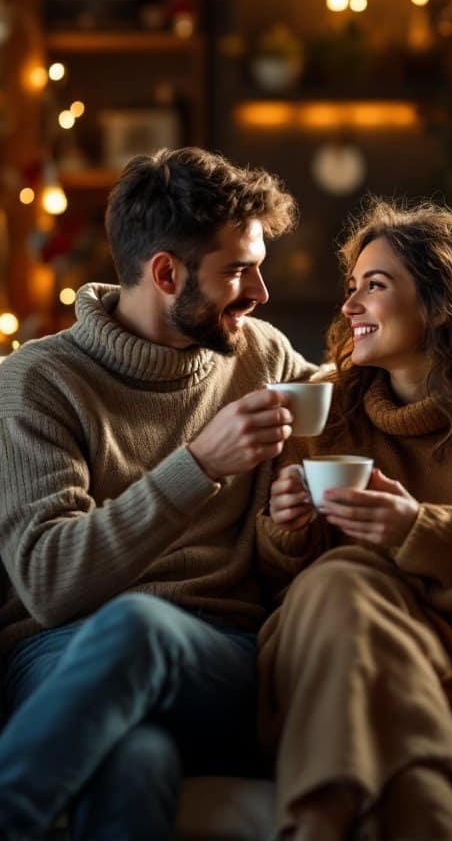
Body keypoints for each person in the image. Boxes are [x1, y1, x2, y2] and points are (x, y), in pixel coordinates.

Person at [0, 146, 316, 840]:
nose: (260, 293)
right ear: (167, 273)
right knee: (132, 759)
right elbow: (50, 582)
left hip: (221, 662)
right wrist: (198, 465)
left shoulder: (261, 355)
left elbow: (367, 398)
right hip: (64, 654)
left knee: (142, 631)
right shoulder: (38, 382)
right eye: (238, 270)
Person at [257, 199, 452, 841]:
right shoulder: (329, 410)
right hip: (339, 665)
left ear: (442, 303)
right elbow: (278, 587)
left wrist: (416, 532)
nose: (349, 307)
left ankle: (317, 822)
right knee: (343, 577)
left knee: (347, 576)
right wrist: (287, 531)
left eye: (374, 287)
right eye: (351, 288)